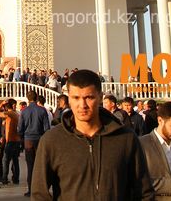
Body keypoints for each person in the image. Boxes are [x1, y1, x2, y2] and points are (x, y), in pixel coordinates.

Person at [31, 69, 154, 200]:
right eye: (76, 98)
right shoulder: (52, 140)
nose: (82, 105)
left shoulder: (125, 138)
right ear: (69, 99)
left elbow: (144, 191)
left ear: (100, 98)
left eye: (89, 97)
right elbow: (39, 194)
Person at [17, 90, 50, 197]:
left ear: (27, 98)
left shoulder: (24, 111)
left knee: (30, 166)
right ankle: (42, 190)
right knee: (41, 166)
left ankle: (31, 190)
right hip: (40, 139)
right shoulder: (42, 110)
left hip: (28, 140)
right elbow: (47, 128)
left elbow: (20, 128)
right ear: (36, 98)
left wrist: (22, 138)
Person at [0, 99, 21, 186]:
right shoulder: (15, 114)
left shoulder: (9, 114)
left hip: (10, 141)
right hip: (16, 140)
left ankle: (4, 179)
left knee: (5, 161)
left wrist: (1, 104)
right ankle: (16, 179)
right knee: (15, 161)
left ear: (6, 107)